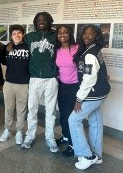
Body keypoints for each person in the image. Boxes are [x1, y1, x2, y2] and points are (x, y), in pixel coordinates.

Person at [69, 25, 110, 170]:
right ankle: (97, 156)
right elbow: (100, 71)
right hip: (101, 92)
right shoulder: (94, 49)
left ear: (96, 36)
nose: (86, 36)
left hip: (93, 94)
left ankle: (87, 156)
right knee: (96, 121)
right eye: (84, 33)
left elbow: (89, 79)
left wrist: (79, 99)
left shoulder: (90, 54)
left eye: (91, 34)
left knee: (73, 120)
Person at [21, 12, 59, 153]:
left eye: (44, 20)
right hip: (35, 78)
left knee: (51, 111)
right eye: (38, 20)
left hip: (51, 79)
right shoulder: (30, 37)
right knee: (32, 109)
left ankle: (50, 138)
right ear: (35, 22)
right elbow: (19, 44)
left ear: (49, 21)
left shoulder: (55, 36)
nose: (41, 21)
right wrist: (11, 44)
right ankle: (29, 136)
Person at [0, 25, 30, 145]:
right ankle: (7, 129)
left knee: (22, 109)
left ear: (22, 34)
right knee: (8, 108)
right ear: (11, 36)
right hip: (9, 83)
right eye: (14, 34)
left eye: (19, 33)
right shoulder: (7, 47)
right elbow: (2, 60)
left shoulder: (28, 47)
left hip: (24, 83)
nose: (17, 35)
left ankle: (19, 131)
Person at [55, 25, 79, 157]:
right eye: (60, 32)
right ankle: (65, 136)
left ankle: (73, 144)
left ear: (70, 34)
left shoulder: (77, 49)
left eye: (65, 32)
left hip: (74, 87)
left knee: (71, 117)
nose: (62, 34)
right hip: (61, 85)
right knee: (63, 114)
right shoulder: (57, 49)